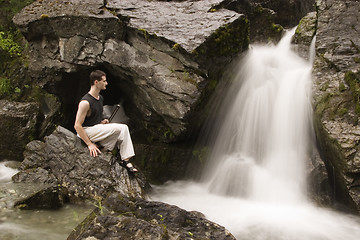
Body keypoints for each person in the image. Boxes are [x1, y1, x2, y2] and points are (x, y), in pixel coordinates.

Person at [74, 70, 138, 173]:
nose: (106, 83)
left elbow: (93, 120)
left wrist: (101, 123)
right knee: (123, 128)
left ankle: (106, 150)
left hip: (94, 130)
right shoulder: (85, 102)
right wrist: (89, 144)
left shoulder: (100, 98)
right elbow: (77, 126)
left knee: (119, 132)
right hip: (85, 132)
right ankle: (125, 160)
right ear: (96, 82)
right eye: (104, 81)